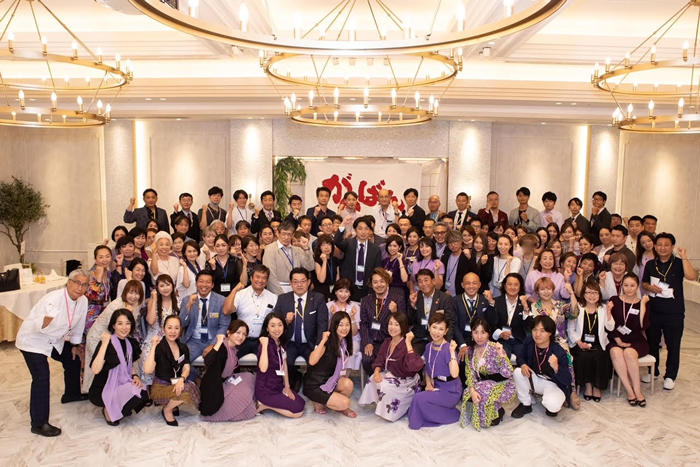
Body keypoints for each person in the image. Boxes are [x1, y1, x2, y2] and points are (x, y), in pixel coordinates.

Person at [16, 270, 90, 437]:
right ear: (69, 282)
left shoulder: (83, 301)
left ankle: (72, 394)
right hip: (33, 341)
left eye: (84, 284)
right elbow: (39, 327)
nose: (80, 288)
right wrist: (48, 321)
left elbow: (79, 325)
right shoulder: (53, 299)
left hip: (55, 339)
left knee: (73, 357)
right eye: (77, 283)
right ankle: (39, 423)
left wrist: (75, 345)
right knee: (41, 377)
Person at [642, 233, 697, 390]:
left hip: (674, 313)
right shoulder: (651, 264)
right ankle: (653, 372)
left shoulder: (679, 263)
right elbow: (644, 283)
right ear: (655, 246)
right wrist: (650, 287)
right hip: (654, 310)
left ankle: (670, 376)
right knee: (652, 343)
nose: (662, 248)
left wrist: (684, 256)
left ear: (672, 246)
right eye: (659, 244)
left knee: (673, 345)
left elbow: (692, 276)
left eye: (666, 245)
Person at [358, 313, 424, 421]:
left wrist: (408, 343)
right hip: (392, 374)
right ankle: (381, 403)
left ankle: (391, 411)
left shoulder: (407, 344)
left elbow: (415, 366)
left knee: (385, 386)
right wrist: (376, 372)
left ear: (403, 326)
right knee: (372, 379)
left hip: (406, 380)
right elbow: (379, 360)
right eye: (390, 324)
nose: (392, 327)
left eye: (396, 325)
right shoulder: (387, 342)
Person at [89, 309, 149, 426]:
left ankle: (118, 407)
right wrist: (105, 343)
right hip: (104, 387)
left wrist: (135, 376)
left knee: (142, 391)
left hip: (121, 382)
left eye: (127, 323)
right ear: (113, 326)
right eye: (120, 323)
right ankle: (108, 409)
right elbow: (95, 369)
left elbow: (129, 364)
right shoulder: (107, 342)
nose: (124, 327)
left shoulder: (130, 343)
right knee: (134, 391)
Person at [83, 279, 145, 393]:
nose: (133, 296)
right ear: (125, 292)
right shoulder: (117, 305)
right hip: (99, 336)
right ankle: (100, 393)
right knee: (100, 367)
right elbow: (114, 327)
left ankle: (115, 392)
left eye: (137, 293)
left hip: (113, 337)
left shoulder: (135, 305)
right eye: (131, 292)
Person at [273, 268, 329, 391]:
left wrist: (318, 346)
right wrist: (286, 321)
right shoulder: (282, 299)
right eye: (295, 282)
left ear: (308, 282)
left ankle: (309, 382)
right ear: (291, 283)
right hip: (290, 342)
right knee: (286, 362)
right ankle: (295, 378)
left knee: (315, 363)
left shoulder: (318, 298)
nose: (299, 285)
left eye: (303, 281)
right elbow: (274, 323)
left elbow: (322, 324)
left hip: (310, 342)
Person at [460, 316, 515, 430]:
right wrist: (472, 391)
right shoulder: (470, 350)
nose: (479, 336)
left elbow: (508, 373)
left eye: (483, 332)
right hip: (482, 383)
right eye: (476, 332)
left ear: (488, 333)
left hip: (500, 383)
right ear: (471, 333)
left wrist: (501, 355)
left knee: (483, 391)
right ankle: (490, 409)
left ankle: (497, 410)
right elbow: (469, 373)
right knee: (467, 392)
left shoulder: (494, 348)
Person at [143, 315, 199, 426]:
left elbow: (186, 366)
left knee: (192, 386)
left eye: (176, 328)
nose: (173, 331)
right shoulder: (159, 347)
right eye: (169, 327)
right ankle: (167, 410)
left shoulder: (183, 347)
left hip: (176, 382)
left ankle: (172, 404)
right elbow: (148, 370)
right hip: (160, 387)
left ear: (180, 330)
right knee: (187, 390)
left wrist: (182, 379)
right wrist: (153, 346)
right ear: (164, 329)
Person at [511, 315, 571, 418]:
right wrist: (523, 364)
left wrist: (556, 367)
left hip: (552, 384)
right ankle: (526, 404)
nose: (537, 334)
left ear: (550, 333)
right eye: (535, 330)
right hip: (535, 378)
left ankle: (551, 402)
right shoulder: (529, 342)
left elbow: (567, 380)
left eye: (542, 331)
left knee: (552, 406)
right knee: (518, 372)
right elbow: (520, 357)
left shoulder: (558, 351)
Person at [408, 314, 461, 429]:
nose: (436, 332)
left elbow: (455, 374)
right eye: (434, 327)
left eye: (441, 329)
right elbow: (427, 368)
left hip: (451, 391)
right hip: (437, 386)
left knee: (419, 399)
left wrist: (452, 352)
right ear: (429, 327)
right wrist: (428, 384)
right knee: (418, 397)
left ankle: (454, 415)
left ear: (446, 331)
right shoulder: (428, 346)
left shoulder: (448, 348)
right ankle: (436, 413)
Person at [200, 320, 257, 422]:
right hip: (215, 388)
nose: (241, 337)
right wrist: (218, 343)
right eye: (238, 333)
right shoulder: (222, 347)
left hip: (226, 380)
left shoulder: (233, 348)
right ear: (229, 333)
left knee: (249, 377)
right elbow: (208, 360)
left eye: (244, 334)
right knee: (245, 390)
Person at [567, 280, 613, 402]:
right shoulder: (578, 307)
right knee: (583, 356)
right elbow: (570, 329)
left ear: (599, 295)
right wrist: (579, 342)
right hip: (580, 343)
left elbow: (610, 328)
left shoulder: (603, 308)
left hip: (599, 343)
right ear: (583, 294)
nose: (592, 296)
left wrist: (609, 313)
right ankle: (588, 385)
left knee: (600, 356)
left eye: (595, 293)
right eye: (588, 292)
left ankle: (597, 387)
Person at [607, 274, 650, 405]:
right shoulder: (614, 300)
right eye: (626, 285)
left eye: (632, 285)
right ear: (622, 286)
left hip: (636, 341)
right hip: (616, 338)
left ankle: (638, 391)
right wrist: (618, 340)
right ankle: (629, 391)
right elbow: (609, 324)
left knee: (629, 353)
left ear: (637, 287)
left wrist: (643, 305)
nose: (629, 288)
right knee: (616, 352)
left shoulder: (643, 302)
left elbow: (643, 326)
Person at [304, 312, 356, 417]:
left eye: (347, 325)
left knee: (348, 384)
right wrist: (323, 340)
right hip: (315, 385)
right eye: (341, 325)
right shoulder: (326, 342)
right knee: (345, 403)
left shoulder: (344, 343)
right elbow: (311, 361)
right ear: (334, 326)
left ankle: (331, 402)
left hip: (329, 380)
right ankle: (318, 400)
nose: (344, 328)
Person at [255, 313, 305, 417]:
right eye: (272, 326)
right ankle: (264, 405)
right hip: (266, 390)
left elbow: (284, 365)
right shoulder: (265, 344)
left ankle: (267, 403)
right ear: (267, 328)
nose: (277, 329)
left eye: (280, 325)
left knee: (301, 403)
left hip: (278, 386)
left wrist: (287, 387)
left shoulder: (280, 341)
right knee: (298, 412)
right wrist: (264, 345)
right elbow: (263, 369)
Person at [222, 264, 277, 358]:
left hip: (262, 340)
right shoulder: (240, 294)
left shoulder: (273, 298)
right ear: (251, 278)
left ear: (267, 281)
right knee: (229, 359)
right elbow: (226, 311)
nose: (260, 280)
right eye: (257, 277)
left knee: (268, 362)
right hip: (241, 339)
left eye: (264, 278)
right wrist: (234, 290)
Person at [359, 268, 405, 374]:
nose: (379, 285)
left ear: (387, 282)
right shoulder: (366, 300)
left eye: (382, 281)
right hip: (371, 340)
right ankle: (374, 379)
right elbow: (363, 323)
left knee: (391, 362)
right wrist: (367, 342)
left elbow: (404, 322)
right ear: (371, 284)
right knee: (367, 360)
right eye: (375, 282)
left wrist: (395, 312)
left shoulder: (397, 298)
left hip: (389, 340)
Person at [179, 270, 230, 362]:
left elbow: (224, 325)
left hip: (213, 340)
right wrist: (189, 306)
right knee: (182, 362)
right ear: (196, 283)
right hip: (193, 341)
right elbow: (182, 323)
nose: (204, 285)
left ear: (212, 285)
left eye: (208, 282)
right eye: (201, 281)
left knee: (217, 363)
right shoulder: (187, 299)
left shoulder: (221, 300)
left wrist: (213, 344)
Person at [141, 274, 180, 383]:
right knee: (149, 356)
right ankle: (148, 387)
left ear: (172, 286)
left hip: (172, 337)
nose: (165, 288)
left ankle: (166, 385)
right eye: (162, 286)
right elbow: (150, 321)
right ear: (157, 288)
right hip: (155, 337)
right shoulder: (153, 301)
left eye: (168, 285)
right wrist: (154, 299)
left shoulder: (178, 301)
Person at [335, 216, 383, 301]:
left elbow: (377, 270)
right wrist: (343, 224)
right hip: (348, 288)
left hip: (367, 289)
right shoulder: (348, 243)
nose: (363, 232)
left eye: (366, 229)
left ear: (370, 231)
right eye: (360, 228)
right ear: (355, 230)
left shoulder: (375, 249)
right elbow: (337, 241)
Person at [407, 269, 454, 356]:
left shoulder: (445, 298)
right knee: (412, 359)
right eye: (420, 281)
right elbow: (410, 321)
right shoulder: (416, 297)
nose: (423, 284)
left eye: (426, 280)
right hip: (419, 338)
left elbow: (450, 323)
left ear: (433, 281)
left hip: (437, 338)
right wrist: (413, 306)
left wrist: (446, 343)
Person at [262, 220, 314, 295]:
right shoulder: (270, 249)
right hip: (279, 289)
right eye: (283, 234)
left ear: (292, 235)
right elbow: (270, 276)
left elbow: (310, 267)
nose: (286, 237)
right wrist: (281, 295)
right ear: (277, 233)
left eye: (289, 234)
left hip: (297, 289)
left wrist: (306, 248)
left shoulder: (297, 250)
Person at [451, 273, 494, 354]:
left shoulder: (485, 300)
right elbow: (454, 325)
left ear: (479, 285)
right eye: (468, 283)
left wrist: (491, 302)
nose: (471, 286)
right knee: (461, 358)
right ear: (462, 285)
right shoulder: (454, 301)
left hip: (481, 339)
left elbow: (491, 321)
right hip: (461, 340)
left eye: (474, 283)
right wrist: (462, 344)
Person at [490, 273, 529, 359]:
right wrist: (500, 334)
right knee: (502, 357)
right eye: (509, 284)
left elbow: (529, 325)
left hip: (518, 340)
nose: (512, 287)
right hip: (500, 339)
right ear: (504, 286)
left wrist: (526, 308)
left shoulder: (525, 303)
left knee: (525, 357)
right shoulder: (496, 302)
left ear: (520, 287)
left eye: (516, 284)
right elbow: (490, 323)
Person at [327, 279, 362, 370]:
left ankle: (345, 375)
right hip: (333, 339)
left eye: (346, 291)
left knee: (350, 351)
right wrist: (332, 316)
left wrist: (352, 318)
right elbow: (328, 330)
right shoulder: (328, 306)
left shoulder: (355, 307)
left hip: (352, 339)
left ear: (350, 293)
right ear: (335, 292)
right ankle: (333, 375)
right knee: (332, 350)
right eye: (340, 291)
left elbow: (354, 333)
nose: (343, 295)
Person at [440, 230, 477, 297]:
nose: (453, 245)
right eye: (450, 242)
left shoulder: (467, 256)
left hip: (461, 294)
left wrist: (470, 259)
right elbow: (441, 275)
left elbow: (475, 273)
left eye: (455, 242)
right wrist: (443, 290)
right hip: (445, 293)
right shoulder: (445, 257)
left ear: (461, 241)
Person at [85, 245, 113, 334]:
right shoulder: (90, 275)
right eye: (101, 257)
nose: (105, 260)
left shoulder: (108, 274)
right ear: (95, 259)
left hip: (105, 311)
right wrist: (99, 279)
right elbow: (93, 296)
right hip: (92, 311)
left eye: (107, 256)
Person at [312, 234, 337, 300]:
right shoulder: (317, 260)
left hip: (333, 291)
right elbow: (321, 279)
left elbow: (337, 278)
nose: (326, 247)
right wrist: (324, 261)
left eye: (329, 244)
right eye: (323, 245)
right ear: (319, 247)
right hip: (320, 293)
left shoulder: (334, 259)